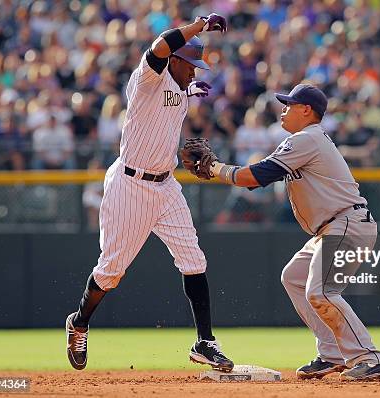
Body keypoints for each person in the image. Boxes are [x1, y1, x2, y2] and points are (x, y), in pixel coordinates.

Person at [183, 83, 380, 381]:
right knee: (293, 277)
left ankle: (370, 358)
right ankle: (331, 352)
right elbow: (256, 176)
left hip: (346, 223)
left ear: (307, 111)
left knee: (321, 291)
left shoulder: (307, 138)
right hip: (335, 227)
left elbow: (255, 177)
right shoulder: (306, 140)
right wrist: (220, 170)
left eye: (289, 104)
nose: (283, 109)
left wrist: (215, 167)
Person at [65, 14, 235, 373]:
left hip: (166, 185)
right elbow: (160, 45)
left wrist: (191, 98)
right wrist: (197, 25)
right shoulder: (147, 78)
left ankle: (205, 342)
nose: (195, 72)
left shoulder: (182, 85)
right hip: (130, 185)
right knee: (111, 271)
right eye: (191, 65)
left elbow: (178, 97)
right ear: (175, 59)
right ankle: (79, 323)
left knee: (194, 260)